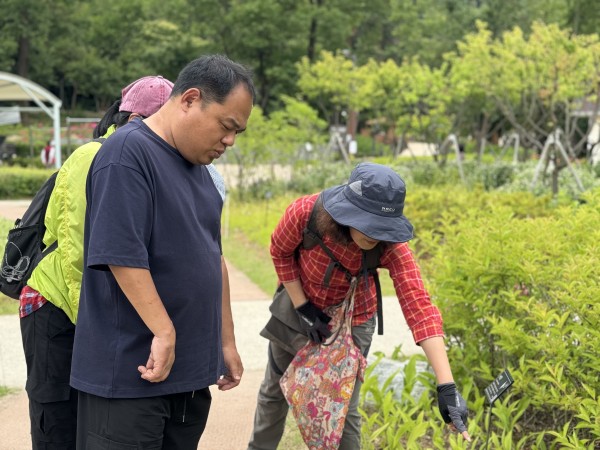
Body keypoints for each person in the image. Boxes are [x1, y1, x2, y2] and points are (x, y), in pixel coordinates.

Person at [70, 54, 255, 449]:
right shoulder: (127, 154)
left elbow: (213, 257)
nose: (230, 141)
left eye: (238, 133)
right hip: (132, 374)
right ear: (189, 99)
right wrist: (164, 330)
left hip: (188, 377)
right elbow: (122, 253)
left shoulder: (201, 172)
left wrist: (225, 341)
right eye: (227, 127)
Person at [248, 162, 471, 450]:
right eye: (367, 223)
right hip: (297, 307)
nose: (374, 235)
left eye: (382, 227)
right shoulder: (305, 213)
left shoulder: (390, 244)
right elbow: (280, 252)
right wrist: (303, 308)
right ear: (347, 210)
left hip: (356, 319)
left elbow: (419, 304)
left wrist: (447, 387)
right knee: (273, 391)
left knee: (344, 409)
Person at [19, 75, 174, 450]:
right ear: (137, 120)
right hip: (57, 307)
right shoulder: (96, 156)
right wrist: (97, 328)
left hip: (89, 313)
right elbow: (78, 252)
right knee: (56, 420)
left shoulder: (149, 160)